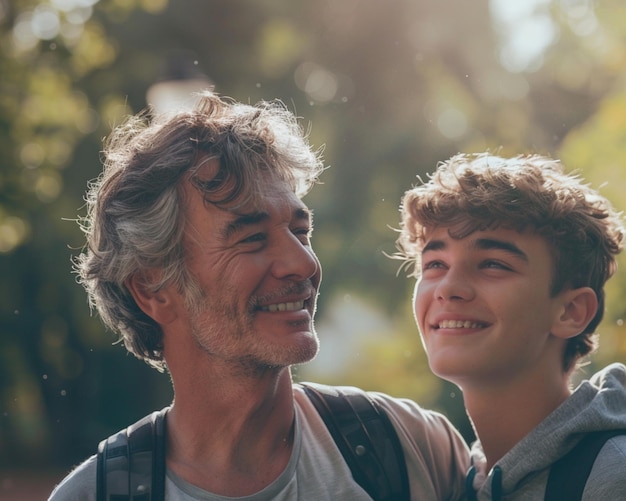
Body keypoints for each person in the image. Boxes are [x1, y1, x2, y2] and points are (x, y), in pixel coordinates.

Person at [49, 91, 469, 500]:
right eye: (251, 239)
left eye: (301, 232)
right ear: (153, 289)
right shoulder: (94, 494)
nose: (303, 265)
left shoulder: (410, 447)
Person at [395, 152, 626, 500]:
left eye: (492, 264)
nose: (447, 288)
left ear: (571, 311)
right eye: (435, 264)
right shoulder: (452, 482)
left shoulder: (610, 477)